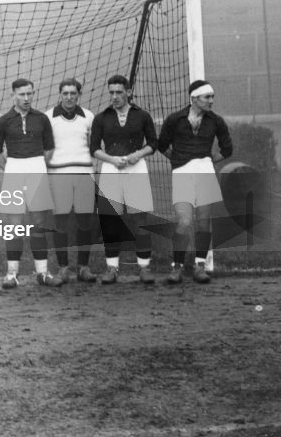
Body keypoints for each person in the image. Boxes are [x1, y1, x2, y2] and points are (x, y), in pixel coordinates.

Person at [157, 80, 233, 284]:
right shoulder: (174, 120)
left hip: (205, 174)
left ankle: (200, 266)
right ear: (194, 98)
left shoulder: (216, 121)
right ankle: (177, 267)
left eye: (212, 96)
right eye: (207, 97)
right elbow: (162, 145)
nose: (211, 101)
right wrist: (182, 160)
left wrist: (204, 160)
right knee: (184, 221)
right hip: (182, 174)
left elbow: (227, 150)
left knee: (203, 221)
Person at [0, 78, 60, 289]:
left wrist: (36, 166)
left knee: (39, 224)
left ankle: (42, 273)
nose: (27, 98)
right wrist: (12, 169)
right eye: (22, 94)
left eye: (30, 93)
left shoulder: (41, 119)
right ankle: (12, 274)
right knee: (14, 227)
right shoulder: (3, 121)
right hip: (14, 169)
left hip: (37, 168)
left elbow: (49, 149)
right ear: (13, 95)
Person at [90, 75, 158, 284]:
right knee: (111, 221)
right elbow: (93, 148)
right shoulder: (102, 117)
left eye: (119, 92)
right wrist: (111, 159)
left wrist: (138, 154)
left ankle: (144, 268)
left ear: (128, 92)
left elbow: (153, 143)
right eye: (111, 92)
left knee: (140, 220)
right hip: (111, 168)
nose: (115, 96)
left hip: (136, 168)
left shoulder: (142, 116)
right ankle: (112, 268)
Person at [44, 79, 97, 284]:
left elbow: (94, 146)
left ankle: (83, 267)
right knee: (61, 223)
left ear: (78, 95)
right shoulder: (48, 117)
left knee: (85, 222)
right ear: (60, 94)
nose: (69, 97)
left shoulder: (89, 116)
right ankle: (63, 268)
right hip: (58, 175)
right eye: (65, 93)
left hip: (84, 174)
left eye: (73, 93)